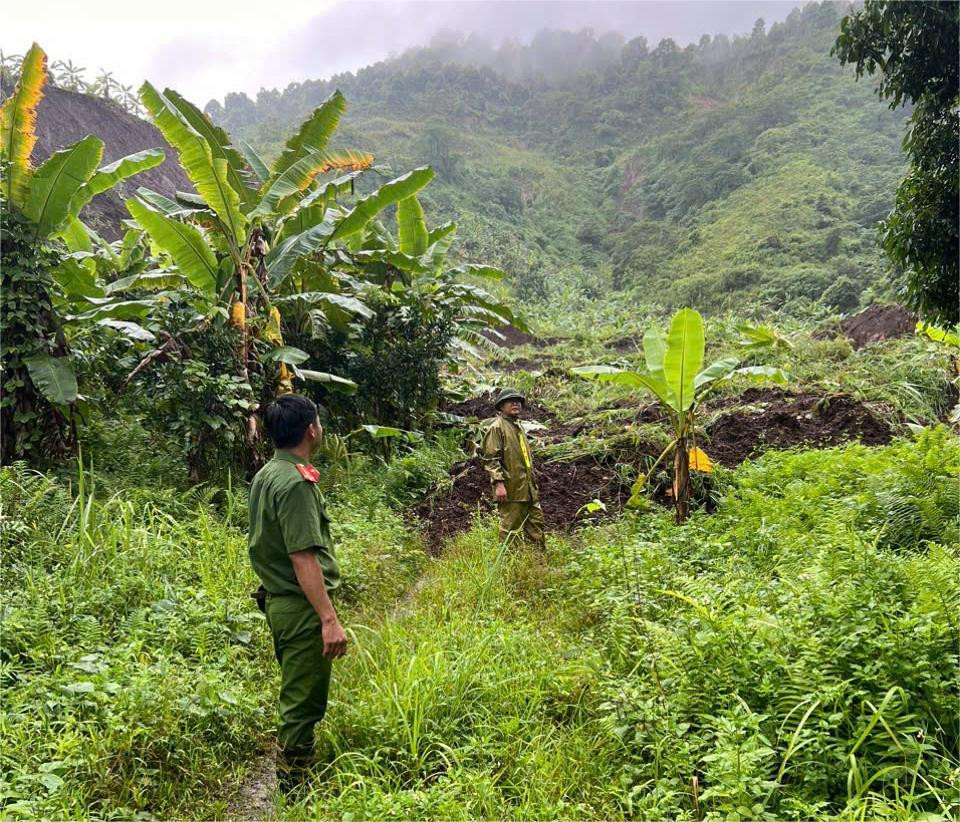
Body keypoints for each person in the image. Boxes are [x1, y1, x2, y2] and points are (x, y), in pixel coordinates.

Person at [248, 394, 348, 794]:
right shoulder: (295, 484)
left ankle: (296, 781)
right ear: (311, 429)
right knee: (302, 702)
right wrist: (329, 618)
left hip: (279, 602)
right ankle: (295, 791)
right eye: (319, 422)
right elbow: (303, 557)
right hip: (299, 607)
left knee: (298, 693)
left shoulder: (268, 473)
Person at [478, 388, 546, 551]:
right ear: (501, 406)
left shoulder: (518, 426)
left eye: (518, 401)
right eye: (510, 401)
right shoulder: (497, 428)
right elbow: (491, 460)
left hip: (528, 488)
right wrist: (499, 484)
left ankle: (537, 563)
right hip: (511, 488)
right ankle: (511, 566)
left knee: (536, 525)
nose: (515, 404)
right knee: (511, 530)